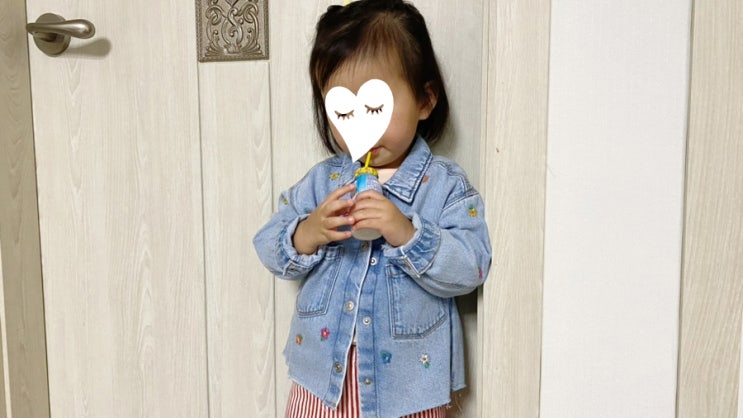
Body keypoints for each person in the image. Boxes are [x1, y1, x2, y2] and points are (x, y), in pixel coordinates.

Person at [253, 0, 492, 416]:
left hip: (409, 391)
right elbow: (267, 244)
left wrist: (408, 235)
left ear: (424, 100)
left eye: (377, 108)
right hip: (320, 383)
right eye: (345, 112)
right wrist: (306, 233)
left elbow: (472, 266)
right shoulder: (323, 182)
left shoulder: (444, 187)